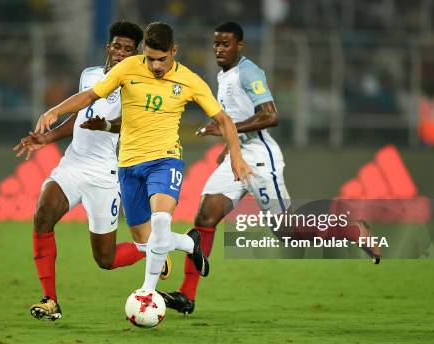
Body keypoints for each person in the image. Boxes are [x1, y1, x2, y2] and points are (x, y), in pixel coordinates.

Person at [159, 22, 380, 315]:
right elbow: (239, 116)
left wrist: (226, 129)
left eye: (226, 44)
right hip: (237, 157)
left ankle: (351, 230)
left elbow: (271, 116)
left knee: (287, 231)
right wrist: (229, 145)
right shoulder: (223, 75)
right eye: (216, 44)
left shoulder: (249, 72)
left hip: (261, 160)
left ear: (240, 46)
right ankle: (187, 296)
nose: (219, 49)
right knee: (204, 218)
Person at [34, 21, 253, 296]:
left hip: (165, 160)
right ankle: (188, 243)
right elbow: (90, 96)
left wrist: (236, 155)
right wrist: (55, 110)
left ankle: (146, 293)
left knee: (161, 222)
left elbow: (223, 119)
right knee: (144, 239)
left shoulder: (190, 80)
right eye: (150, 59)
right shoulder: (128, 67)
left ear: (174, 51)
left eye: (162, 60)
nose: (156, 66)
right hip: (128, 166)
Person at [13, 21, 163, 322]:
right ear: (109, 47)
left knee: (105, 260)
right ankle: (50, 301)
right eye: (117, 46)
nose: (121, 53)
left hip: (104, 175)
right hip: (72, 164)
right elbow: (81, 116)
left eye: (128, 50)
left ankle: (153, 249)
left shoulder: (137, 85)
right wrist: (47, 137)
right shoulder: (90, 76)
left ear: (137, 56)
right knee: (42, 215)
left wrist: (107, 125)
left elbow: (130, 124)